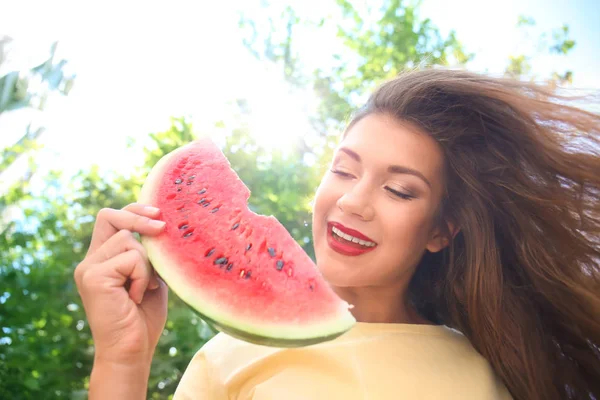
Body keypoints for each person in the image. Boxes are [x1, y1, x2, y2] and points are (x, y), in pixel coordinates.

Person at [74, 68, 600, 400]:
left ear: (440, 231)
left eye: (399, 191)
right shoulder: (226, 358)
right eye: (344, 171)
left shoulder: (488, 374)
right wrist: (122, 358)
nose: (352, 201)